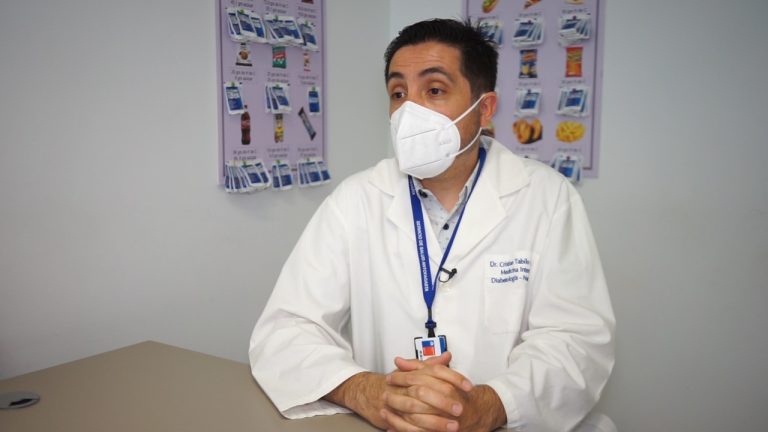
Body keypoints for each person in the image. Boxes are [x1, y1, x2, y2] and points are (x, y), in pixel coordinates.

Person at [250, 19, 615, 432]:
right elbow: (286, 331)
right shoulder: (356, 199)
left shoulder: (547, 197)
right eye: (398, 94)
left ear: (485, 108)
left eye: (435, 90)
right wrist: (368, 392)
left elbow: (577, 341)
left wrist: (490, 405)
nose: (410, 111)